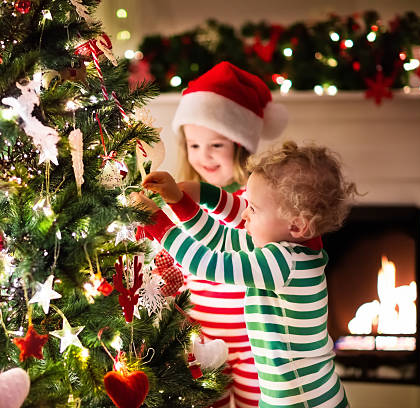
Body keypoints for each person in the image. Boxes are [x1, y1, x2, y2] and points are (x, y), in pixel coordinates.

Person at [134, 141, 356, 408]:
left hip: (303, 400)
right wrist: (183, 201)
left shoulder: (282, 263)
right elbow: (220, 239)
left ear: (297, 225)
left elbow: (207, 263)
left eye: (253, 208)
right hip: (288, 395)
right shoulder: (289, 247)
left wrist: (158, 222)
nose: (244, 215)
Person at [168, 61, 288, 408]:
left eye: (215, 145)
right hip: (202, 335)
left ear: (239, 145)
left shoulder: (255, 200)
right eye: (193, 145)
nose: (203, 156)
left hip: (254, 339)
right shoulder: (181, 200)